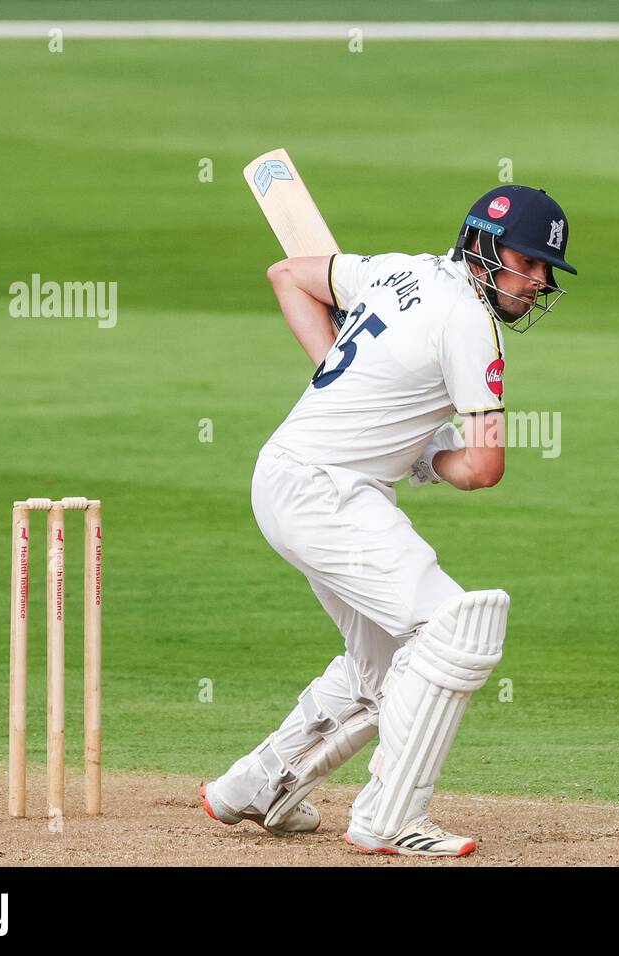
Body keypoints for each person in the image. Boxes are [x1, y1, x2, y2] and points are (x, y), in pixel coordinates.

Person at [200, 185, 577, 856]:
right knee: (458, 627)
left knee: (382, 676)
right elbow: (485, 468)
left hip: (290, 475)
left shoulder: (394, 268)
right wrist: (431, 457)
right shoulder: (469, 322)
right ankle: (390, 818)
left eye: (546, 270)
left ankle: (253, 788)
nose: (539, 281)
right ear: (486, 251)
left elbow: (288, 276)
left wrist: (351, 388)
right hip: (328, 494)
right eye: (531, 263)